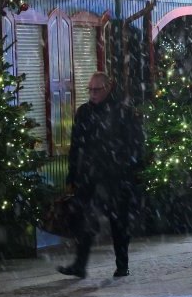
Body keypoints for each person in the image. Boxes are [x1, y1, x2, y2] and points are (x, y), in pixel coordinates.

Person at [57, 72, 145, 279]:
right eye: (90, 89)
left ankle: (122, 264)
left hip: (115, 178)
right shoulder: (84, 113)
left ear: (107, 88)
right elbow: (76, 146)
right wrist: (73, 175)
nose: (93, 93)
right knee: (84, 220)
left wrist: (127, 169)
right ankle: (80, 264)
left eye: (97, 89)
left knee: (119, 222)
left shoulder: (122, 112)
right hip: (89, 177)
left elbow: (135, 144)